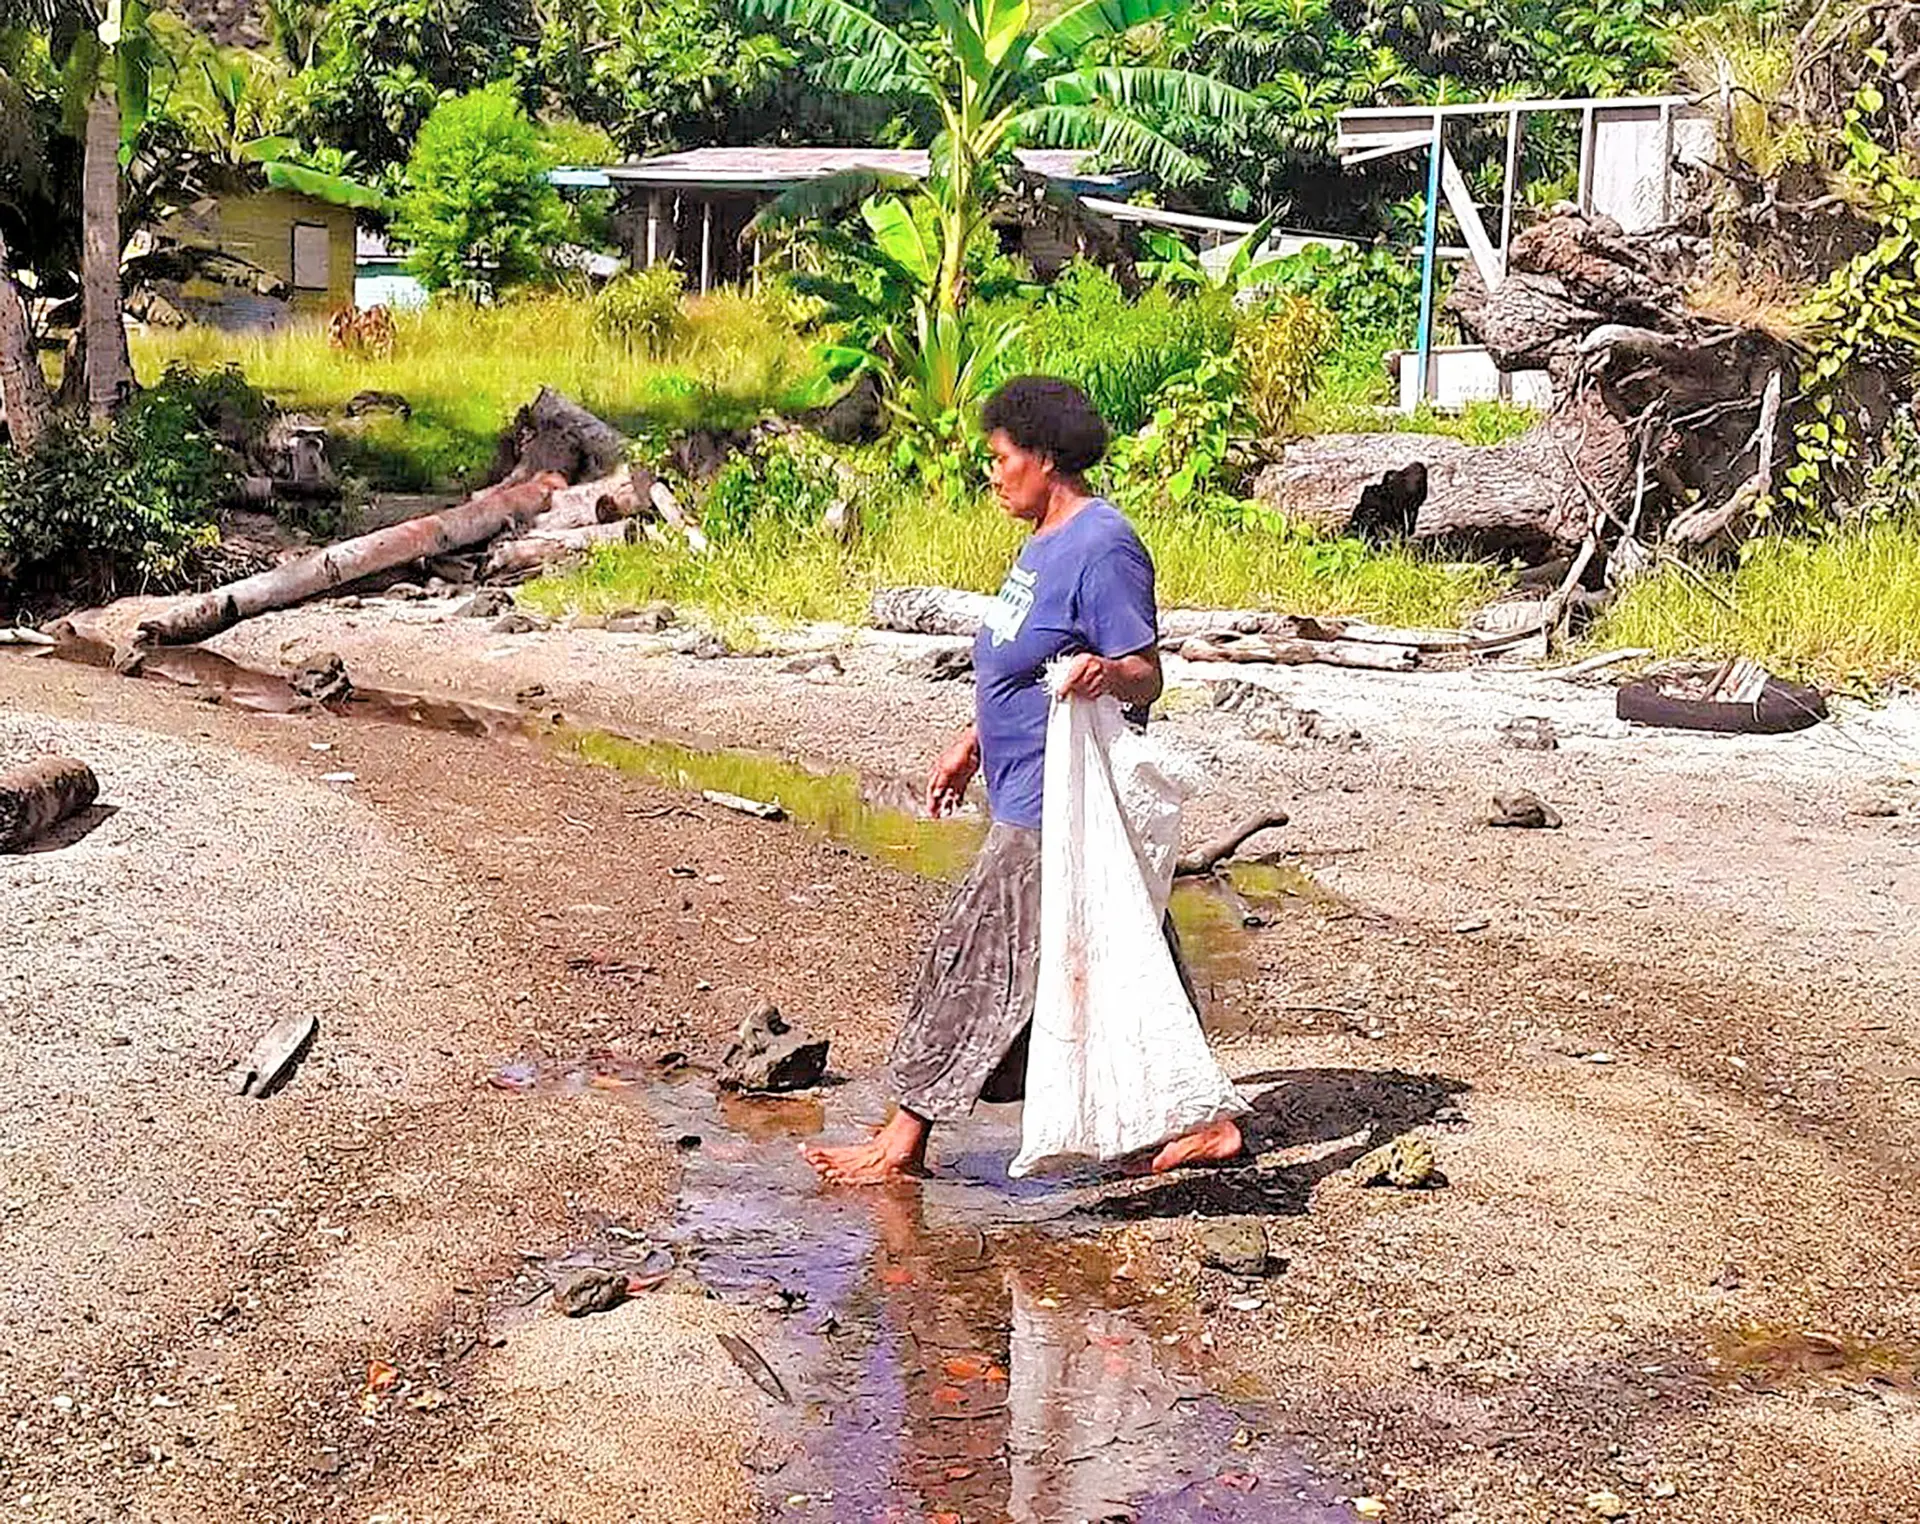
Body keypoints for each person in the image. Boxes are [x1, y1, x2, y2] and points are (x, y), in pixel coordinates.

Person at [803, 376, 1244, 1185]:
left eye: (1001, 458)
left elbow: (1145, 675)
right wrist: (970, 742)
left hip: (1054, 803)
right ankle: (1203, 1116)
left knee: (971, 959)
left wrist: (1103, 673)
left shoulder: (1103, 544)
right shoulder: (1041, 540)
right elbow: (1020, 659)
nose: (993, 474)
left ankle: (904, 1138)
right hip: (1016, 784)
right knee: (1127, 948)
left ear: (1044, 458)